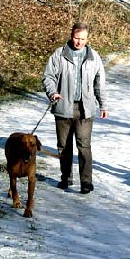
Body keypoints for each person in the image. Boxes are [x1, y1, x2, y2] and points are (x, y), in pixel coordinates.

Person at [42, 22, 108, 194]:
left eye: (82, 39)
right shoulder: (59, 54)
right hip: (63, 106)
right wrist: (52, 93)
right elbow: (48, 77)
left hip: (85, 108)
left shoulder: (94, 56)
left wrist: (103, 104)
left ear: (88, 39)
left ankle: (86, 182)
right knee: (64, 145)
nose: (79, 42)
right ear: (71, 36)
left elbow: (99, 83)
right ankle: (66, 178)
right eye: (76, 38)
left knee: (84, 145)